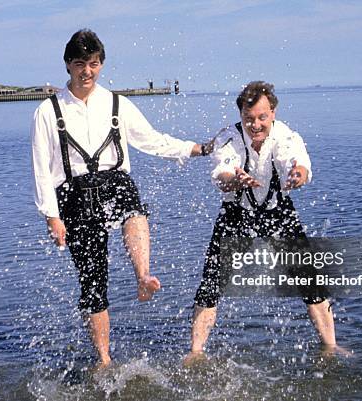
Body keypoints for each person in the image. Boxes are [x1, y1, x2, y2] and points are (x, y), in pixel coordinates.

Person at [31, 29, 213, 369]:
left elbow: (153, 141)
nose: (87, 71)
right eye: (80, 64)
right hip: (72, 194)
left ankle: (143, 276)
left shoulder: (117, 104)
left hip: (115, 181)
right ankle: (103, 358)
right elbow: (42, 169)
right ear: (68, 65)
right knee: (92, 282)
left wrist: (196, 149)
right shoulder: (47, 111)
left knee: (133, 209)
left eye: (94, 64)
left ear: (102, 65)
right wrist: (51, 216)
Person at [185, 81, 345, 365]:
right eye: (248, 118)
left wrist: (297, 175)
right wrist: (234, 179)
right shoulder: (228, 137)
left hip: (277, 211)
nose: (255, 124)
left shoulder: (286, 135)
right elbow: (221, 172)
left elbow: (295, 162)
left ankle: (331, 346)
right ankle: (196, 352)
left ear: (273, 112)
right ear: (241, 114)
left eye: (261, 117)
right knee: (210, 283)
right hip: (237, 212)